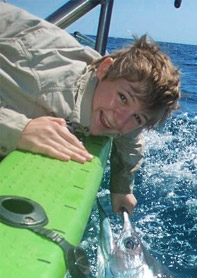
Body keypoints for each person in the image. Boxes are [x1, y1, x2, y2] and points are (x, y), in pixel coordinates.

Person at [0, 3, 181, 214]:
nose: (119, 121)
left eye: (138, 117)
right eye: (123, 98)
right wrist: (18, 128)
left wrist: (122, 186)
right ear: (104, 69)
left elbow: (131, 136)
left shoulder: (115, 101)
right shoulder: (42, 87)